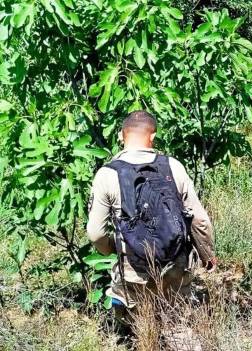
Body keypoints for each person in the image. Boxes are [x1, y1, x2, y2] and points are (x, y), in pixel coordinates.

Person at [86, 111, 216, 339]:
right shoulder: (173, 167)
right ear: (152, 136)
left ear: (120, 135)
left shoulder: (106, 174)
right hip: (174, 264)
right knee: (178, 326)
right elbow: (200, 220)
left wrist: (114, 250)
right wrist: (207, 255)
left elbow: (95, 233)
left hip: (132, 271)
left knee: (140, 332)